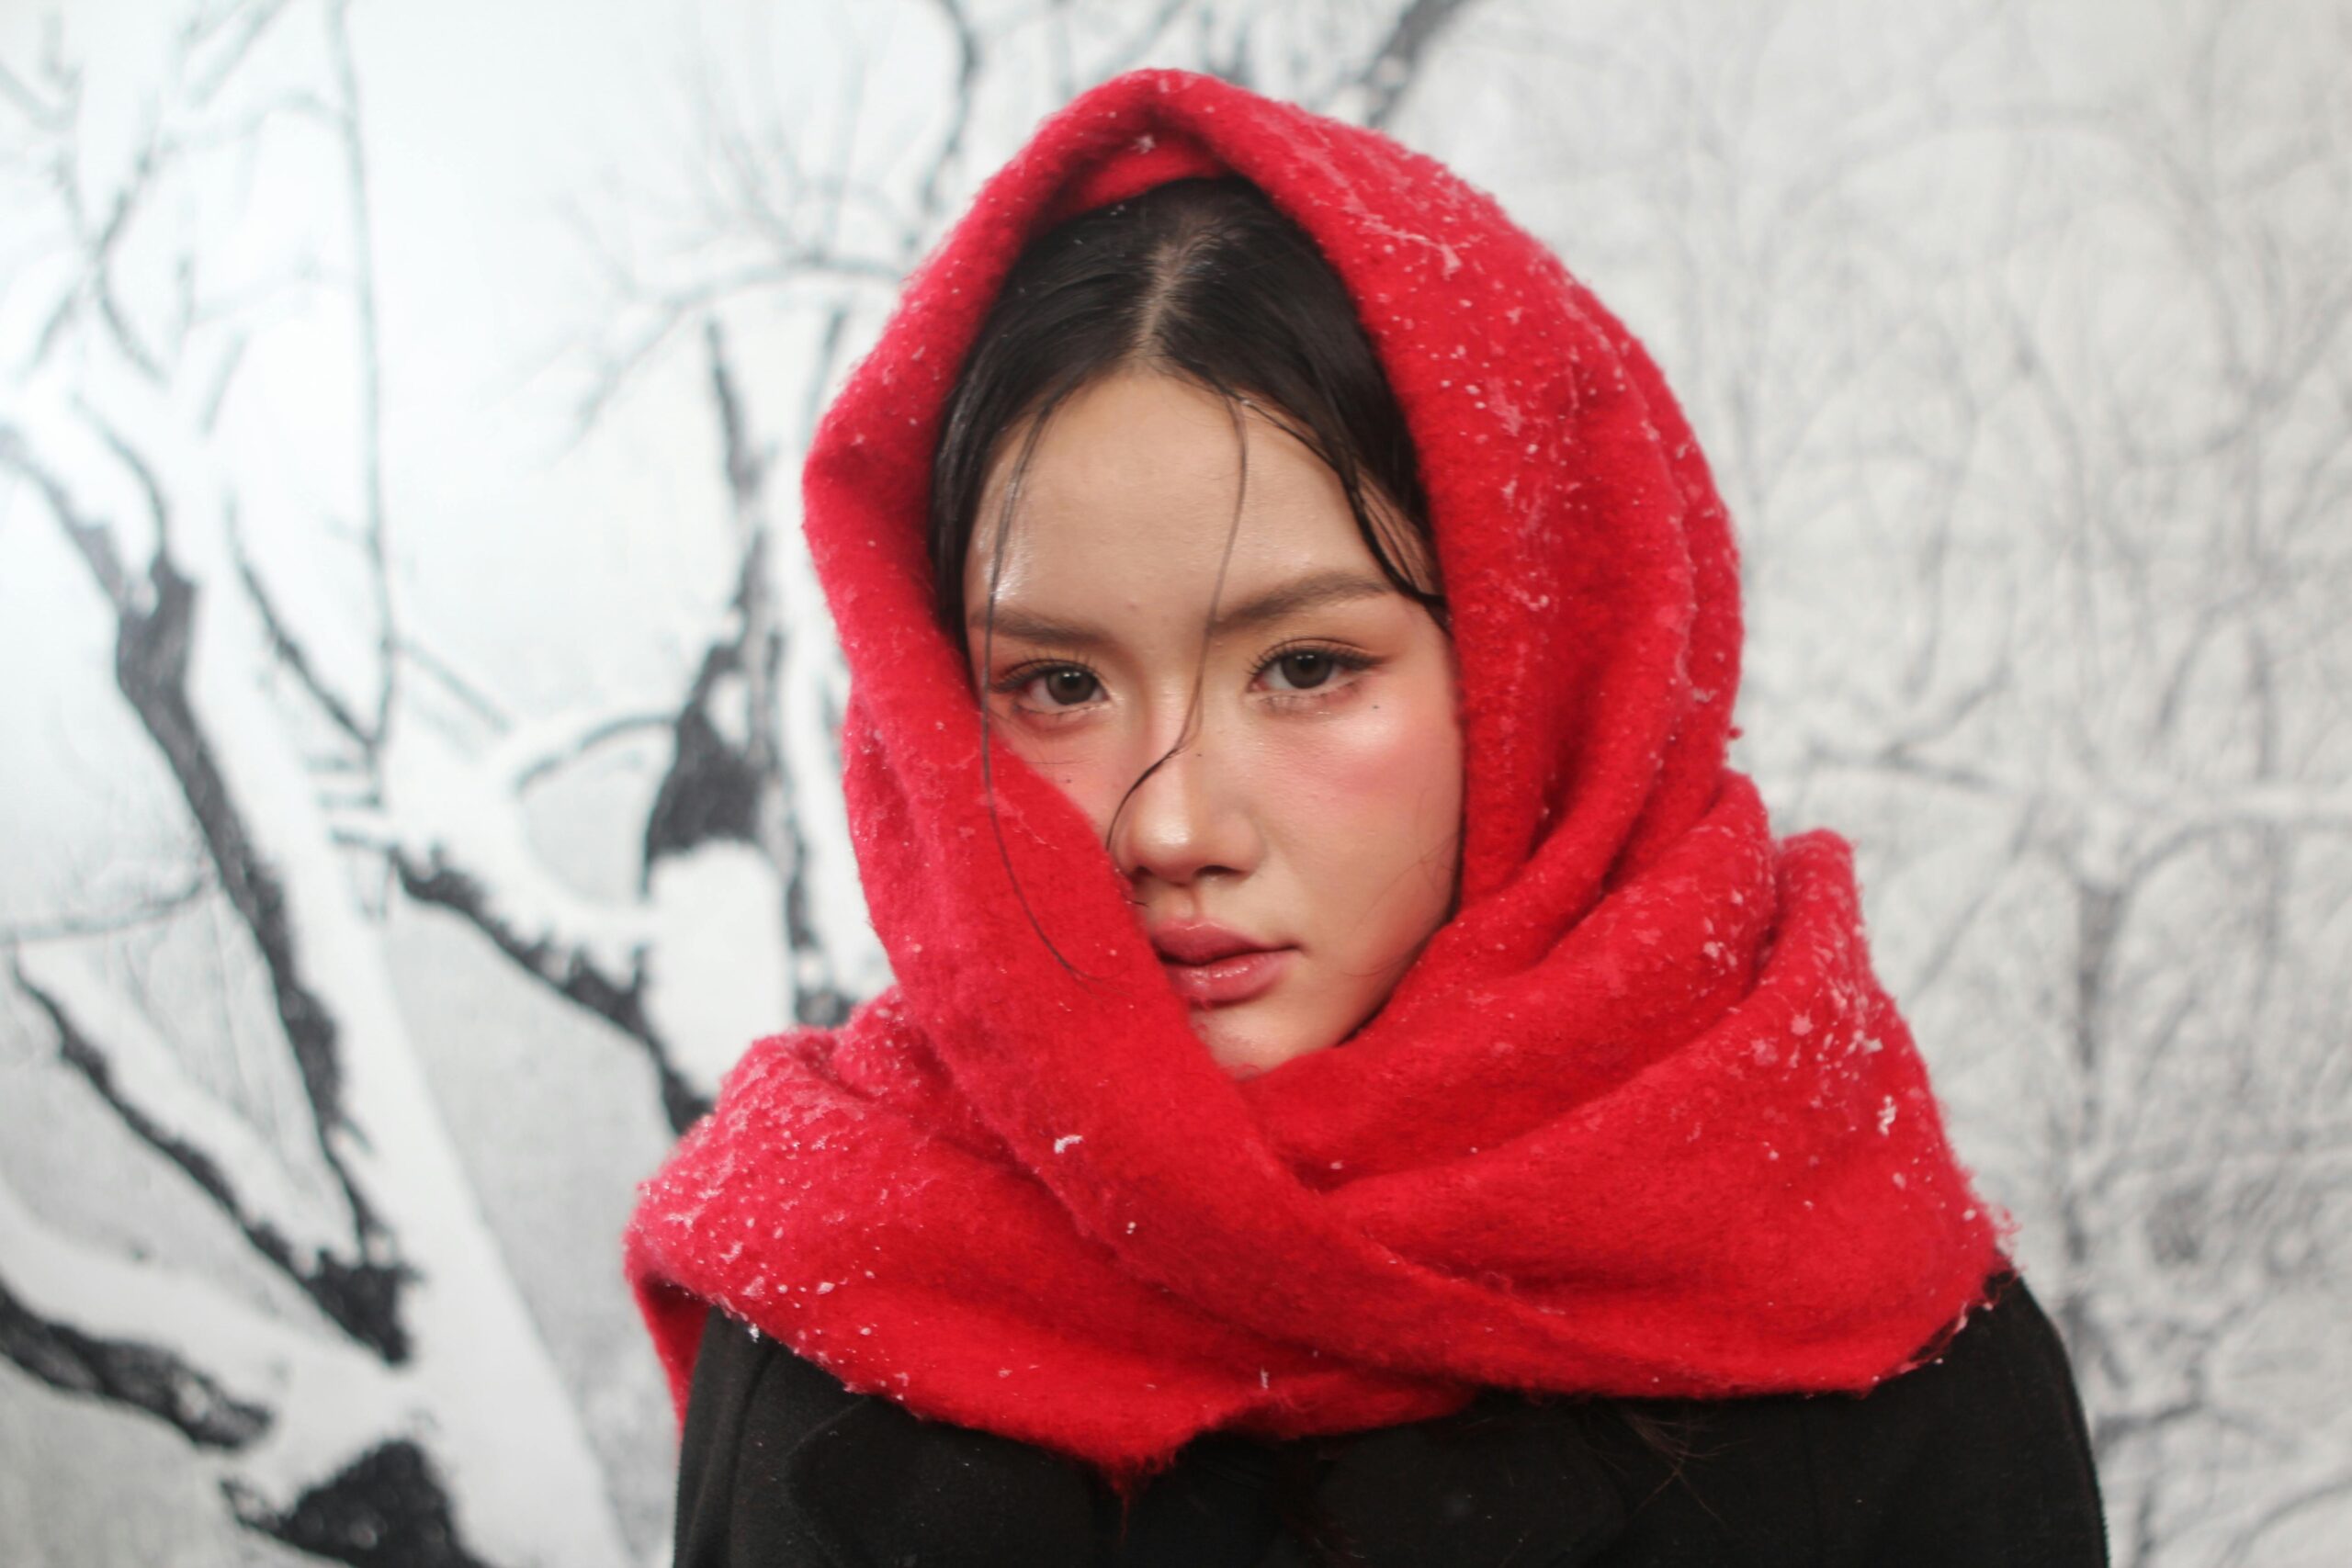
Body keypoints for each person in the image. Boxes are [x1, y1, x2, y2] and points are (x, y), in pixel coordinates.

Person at [624, 67, 2109, 1566]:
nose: (1171, 824)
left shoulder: (1863, 1316)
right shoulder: (849, 1303)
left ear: (1542, 680)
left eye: (1309, 665)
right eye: (1059, 683)